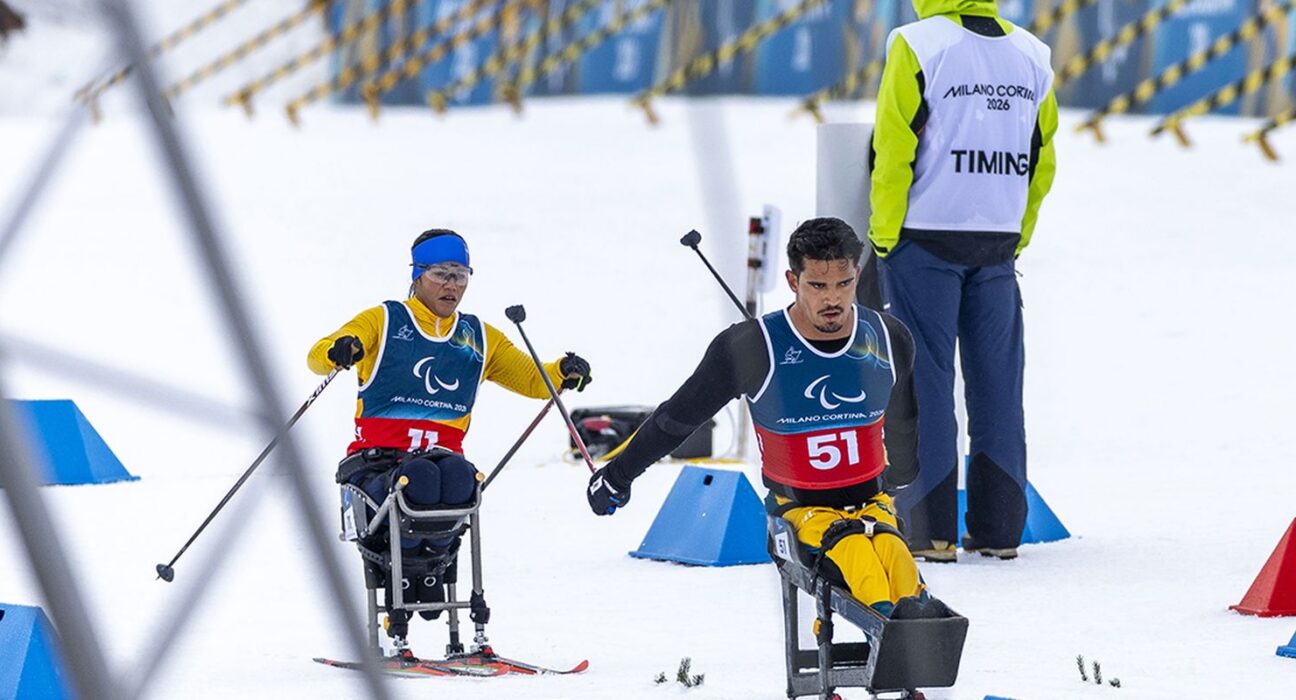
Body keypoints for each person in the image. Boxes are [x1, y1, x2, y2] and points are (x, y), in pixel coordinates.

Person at [587, 217, 939, 616]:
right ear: (793, 281)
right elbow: (677, 419)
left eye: (844, 284)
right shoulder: (753, 346)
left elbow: (905, 424)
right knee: (864, 566)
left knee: (899, 566)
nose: (833, 300)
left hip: (872, 504)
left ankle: (918, 638)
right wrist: (618, 475)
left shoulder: (888, 339)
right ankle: (901, 638)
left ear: (857, 274)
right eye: (817, 286)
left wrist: (899, 478)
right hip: (801, 512)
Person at [308, 228, 592, 641]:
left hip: (442, 462)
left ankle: (431, 575)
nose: (451, 285)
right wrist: (340, 349)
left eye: (460, 275)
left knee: (461, 479)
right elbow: (318, 354)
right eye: (441, 273)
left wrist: (561, 371)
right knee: (419, 480)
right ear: (418, 275)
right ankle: (403, 579)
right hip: (377, 464)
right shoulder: (385, 321)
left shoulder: (478, 337)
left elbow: (533, 380)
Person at [868, 0, 1059, 562]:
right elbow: (1041, 159)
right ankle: (1000, 531)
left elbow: (893, 148)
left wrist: (884, 236)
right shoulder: (1033, 54)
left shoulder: (916, 42)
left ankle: (931, 532)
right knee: (999, 389)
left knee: (923, 385)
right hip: (996, 242)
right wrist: (1016, 234)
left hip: (923, 239)